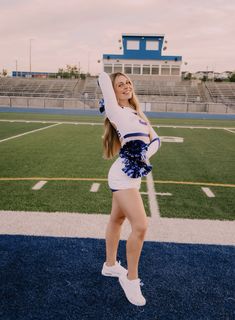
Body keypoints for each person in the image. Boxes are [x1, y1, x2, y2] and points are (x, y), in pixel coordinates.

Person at [98, 71, 161, 306]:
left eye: (128, 82)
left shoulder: (137, 113)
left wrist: (143, 153)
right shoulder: (116, 111)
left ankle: (111, 265)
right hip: (122, 177)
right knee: (141, 226)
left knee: (117, 220)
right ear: (113, 92)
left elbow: (156, 140)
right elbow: (103, 77)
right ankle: (131, 280)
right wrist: (107, 74)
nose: (126, 86)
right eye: (120, 84)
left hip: (134, 176)